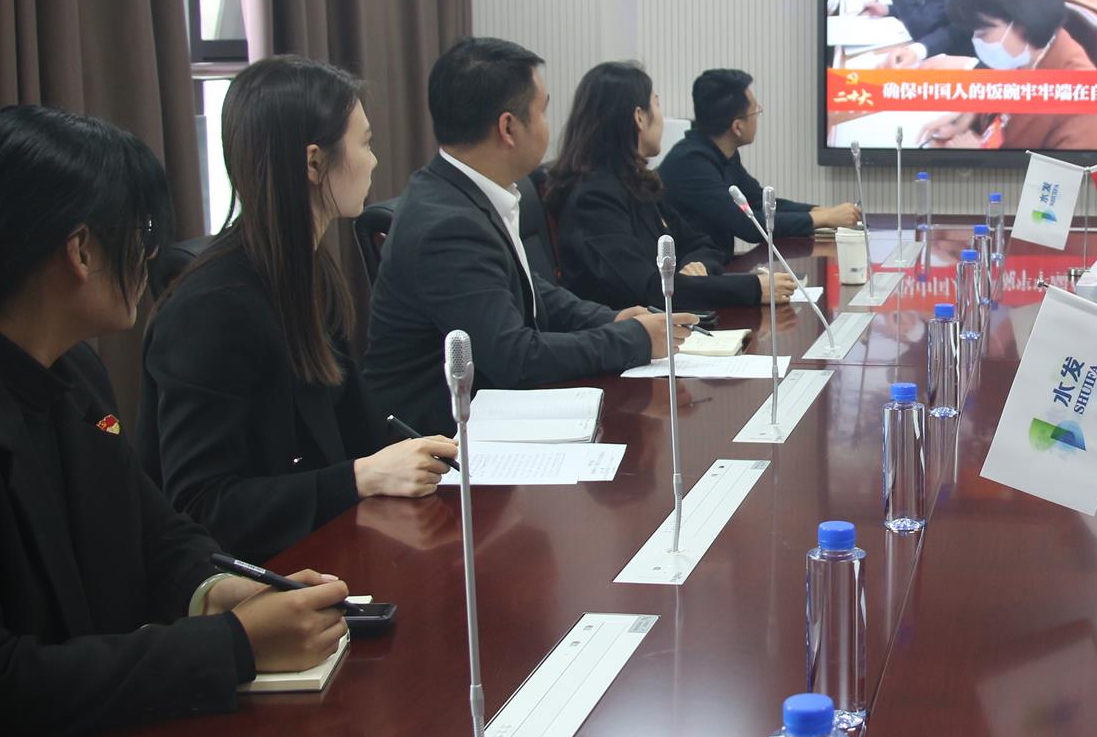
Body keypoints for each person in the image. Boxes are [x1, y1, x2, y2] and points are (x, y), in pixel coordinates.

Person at [0, 105, 352, 737]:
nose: (151, 253)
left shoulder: (74, 372)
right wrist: (233, 644)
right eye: (141, 231)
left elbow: (153, 530)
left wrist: (222, 590)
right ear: (81, 250)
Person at [141, 57, 459, 563]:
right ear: (314, 163)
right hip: (265, 577)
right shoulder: (210, 309)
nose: (374, 160)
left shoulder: (309, 273)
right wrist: (361, 476)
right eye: (365, 143)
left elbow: (357, 426)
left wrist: (421, 452)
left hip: (332, 544)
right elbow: (202, 505)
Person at [364, 38, 688, 436]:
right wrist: (630, 339)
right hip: (444, 443)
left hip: (495, 413)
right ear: (508, 128)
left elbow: (528, 288)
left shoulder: (464, 191)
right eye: (543, 111)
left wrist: (612, 318)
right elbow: (514, 357)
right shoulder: (446, 225)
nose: (549, 126)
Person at [547, 62, 800, 311]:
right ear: (639, 117)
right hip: (632, 331)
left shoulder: (637, 183)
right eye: (656, 103)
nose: (661, 116)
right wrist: (754, 288)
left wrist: (696, 266)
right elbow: (649, 288)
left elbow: (702, 243)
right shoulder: (594, 199)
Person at [916, 0, 1097, 151]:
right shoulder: (1020, 54)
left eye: (983, 32)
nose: (976, 41)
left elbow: (1060, 173)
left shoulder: (1083, 105)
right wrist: (965, 117)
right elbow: (997, 111)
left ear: (1022, 23)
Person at [659, 68, 860, 254]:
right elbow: (748, 225)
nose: (758, 116)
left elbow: (758, 201)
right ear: (737, 127)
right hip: (689, 273)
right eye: (756, 111)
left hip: (715, 266)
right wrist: (825, 218)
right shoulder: (690, 164)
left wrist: (822, 211)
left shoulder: (721, 152)